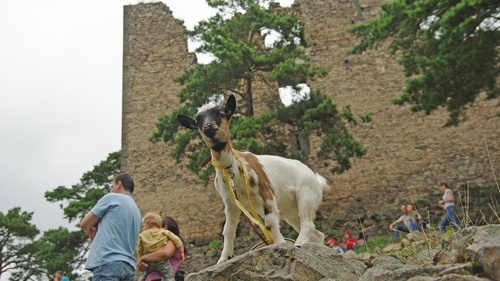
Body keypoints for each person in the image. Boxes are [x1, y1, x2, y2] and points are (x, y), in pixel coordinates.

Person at [80, 172, 142, 281]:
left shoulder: (111, 198)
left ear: (119, 184)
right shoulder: (136, 211)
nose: (111, 189)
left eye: (112, 185)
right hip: (129, 266)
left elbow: (84, 223)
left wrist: (91, 233)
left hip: (108, 262)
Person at [135, 212, 185, 281]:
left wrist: (142, 258)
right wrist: (142, 264)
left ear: (165, 227)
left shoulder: (171, 241)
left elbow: (165, 253)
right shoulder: (160, 239)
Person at [162, 216, 187, 281]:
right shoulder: (177, 241)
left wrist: (145, 257)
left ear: (165, 227)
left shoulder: (172, 242)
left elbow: (165, 254)